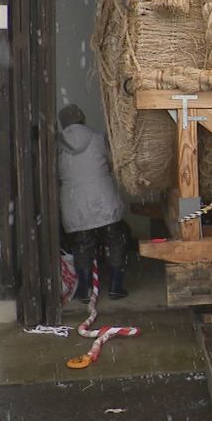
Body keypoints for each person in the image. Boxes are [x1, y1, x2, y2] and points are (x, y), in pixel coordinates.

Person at [57, 104, 130, 302]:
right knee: (116, 239)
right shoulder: (98, 137)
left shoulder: (56, 145)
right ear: (82, 118)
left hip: (74, 202)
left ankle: (85, 289)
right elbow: (113, 163)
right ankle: (116, 286)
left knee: (82, 244)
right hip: (102, 198)